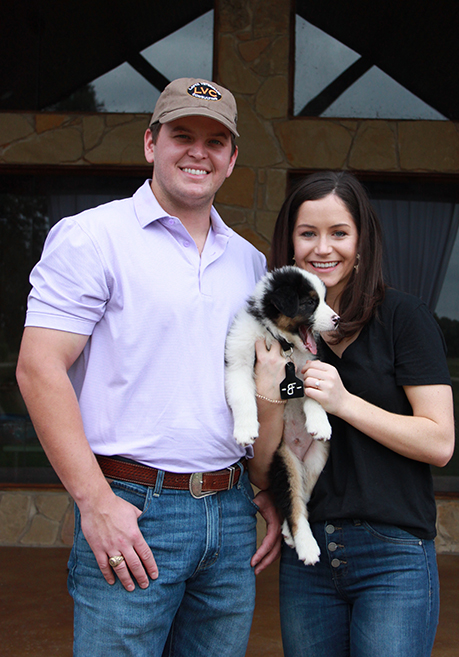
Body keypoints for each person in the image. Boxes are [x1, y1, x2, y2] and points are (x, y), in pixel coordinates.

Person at [16, 77, 281, 657]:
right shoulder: (92, 238)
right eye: (182, 135)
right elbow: (39, 369)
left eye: (215, 142)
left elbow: (245, 385)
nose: (198, 152)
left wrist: (260, 485)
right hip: (133, 509)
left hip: (229, 515)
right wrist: (95, 502)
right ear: (149, 144)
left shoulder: (249, 260)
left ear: (232, 159)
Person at [249, 171, 455, 657]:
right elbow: (262, 467)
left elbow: (440, 442)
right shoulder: (276, 335)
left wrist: (344, 403)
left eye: (339, 232)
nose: (323, 248)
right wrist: (269, 394)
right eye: (308, 233)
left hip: (394, 556)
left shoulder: (403, 319)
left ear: (361, 242)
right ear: (290, 244)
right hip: (310, 558)